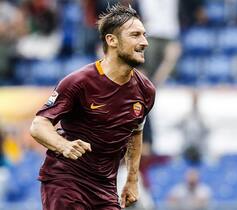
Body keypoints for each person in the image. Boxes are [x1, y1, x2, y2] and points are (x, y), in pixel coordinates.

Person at [29, 4, 155, 210]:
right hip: (66, 180)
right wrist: (64, 146)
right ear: (111, 40)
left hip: (105, 187)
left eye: (144, 35)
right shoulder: (79, 82)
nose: (144, 42)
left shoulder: (145, 90)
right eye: (135, 35)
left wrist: (132, 180)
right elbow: (38, 125)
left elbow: (135, 133)